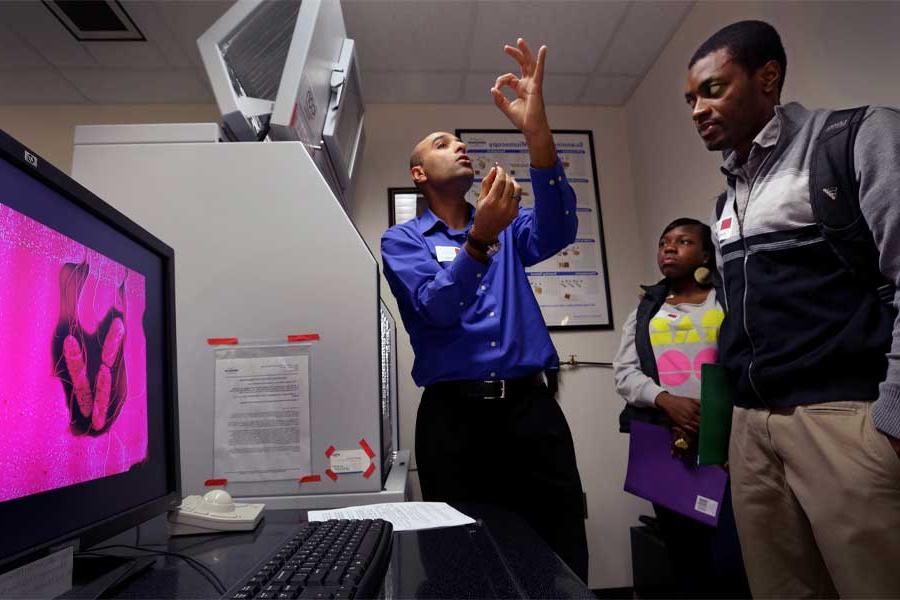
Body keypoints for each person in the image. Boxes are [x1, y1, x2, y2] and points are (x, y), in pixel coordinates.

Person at [684, 20, 900, 596]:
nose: (698, 110)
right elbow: (737, 324)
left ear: (768, 78)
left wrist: (893, 419)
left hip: (841, 418)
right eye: (690, 99)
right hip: (752, 431)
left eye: (712, 89)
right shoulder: (725, 199)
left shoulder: (856, 137)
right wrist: (726, 435)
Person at [380, 38, 588, 581]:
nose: (461, 147)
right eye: (443, 143)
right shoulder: (402, 241)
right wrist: (478, 240)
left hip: (530, 411)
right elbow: (438, 309)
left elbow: (561, 227)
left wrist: (535, 132)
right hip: (454, 422)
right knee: (462, 564)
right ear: (419, 173)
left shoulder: (509, 228)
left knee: (560, 544)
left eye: (461, 142)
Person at [613, 218, 748, 598]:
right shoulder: (646, 309)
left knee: (734, 557)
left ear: (707, 253)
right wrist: (666, 401)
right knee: (686, 559)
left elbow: (746, 359)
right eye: (664, 242)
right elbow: (624, 372)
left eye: (684, 241)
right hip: (670, 444)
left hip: (729, 442)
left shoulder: (729, 300)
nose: (669, 249)